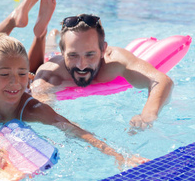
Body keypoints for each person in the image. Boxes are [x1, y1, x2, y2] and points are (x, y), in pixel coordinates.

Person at [0, 31, 148, 170]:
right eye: (5, 74)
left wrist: (119, 156)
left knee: (43, 87)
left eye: (22, 73)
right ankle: (43, 37)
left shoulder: (32, 108)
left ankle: (48, 38)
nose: (15, 82)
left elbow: (74, 130)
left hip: (33, 84)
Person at [31, 14, 174, 131]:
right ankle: (51, 36)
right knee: (50, 50)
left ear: (103, 50)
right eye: (73, 55)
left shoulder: (115, 60)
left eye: (90, 54)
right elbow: (40, 112)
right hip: (52, 56)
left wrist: (147, 115)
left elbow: (162, 81)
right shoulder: (49, 75)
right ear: (63, 53)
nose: (82, 65)